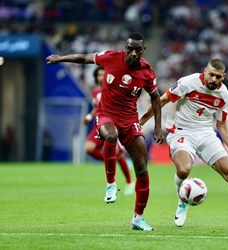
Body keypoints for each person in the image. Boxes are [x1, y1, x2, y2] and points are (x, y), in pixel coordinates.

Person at [46, 32, 165, 231]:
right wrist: (61, 58)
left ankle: (138, 218)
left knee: (143, 170)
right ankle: (111, 183)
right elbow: (84, 58)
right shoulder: (111, 57)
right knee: (111, 135)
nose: (133, 53)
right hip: (106, 113)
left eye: (137, 49)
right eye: (130, 48)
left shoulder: (147, 72)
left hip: (130, 119)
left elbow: (156, 99)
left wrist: (158, 127)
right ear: (125, 48)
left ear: (143, 50)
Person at [140, 58, 228, 230]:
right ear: (205, 71)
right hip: (181, 132)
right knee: (183, 170)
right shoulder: (188, 83)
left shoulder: (223, 94)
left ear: (223, 77)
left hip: (206, 134)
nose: (213, 79)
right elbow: (161, 101)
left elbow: (221, 124)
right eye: (210, 75)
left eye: (218, 77)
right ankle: (182, 202)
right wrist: (142, 122)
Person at [82, 66, 134, 196]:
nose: (101, 77)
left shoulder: (113, 89)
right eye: (99, 75)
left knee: (117, 154)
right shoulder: (95, 92)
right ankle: (111, 161)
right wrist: (89, 116)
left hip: (111, 123)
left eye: (103, 75)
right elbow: (97, 107)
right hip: (99, 123)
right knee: (89, 148)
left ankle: (129, 181)